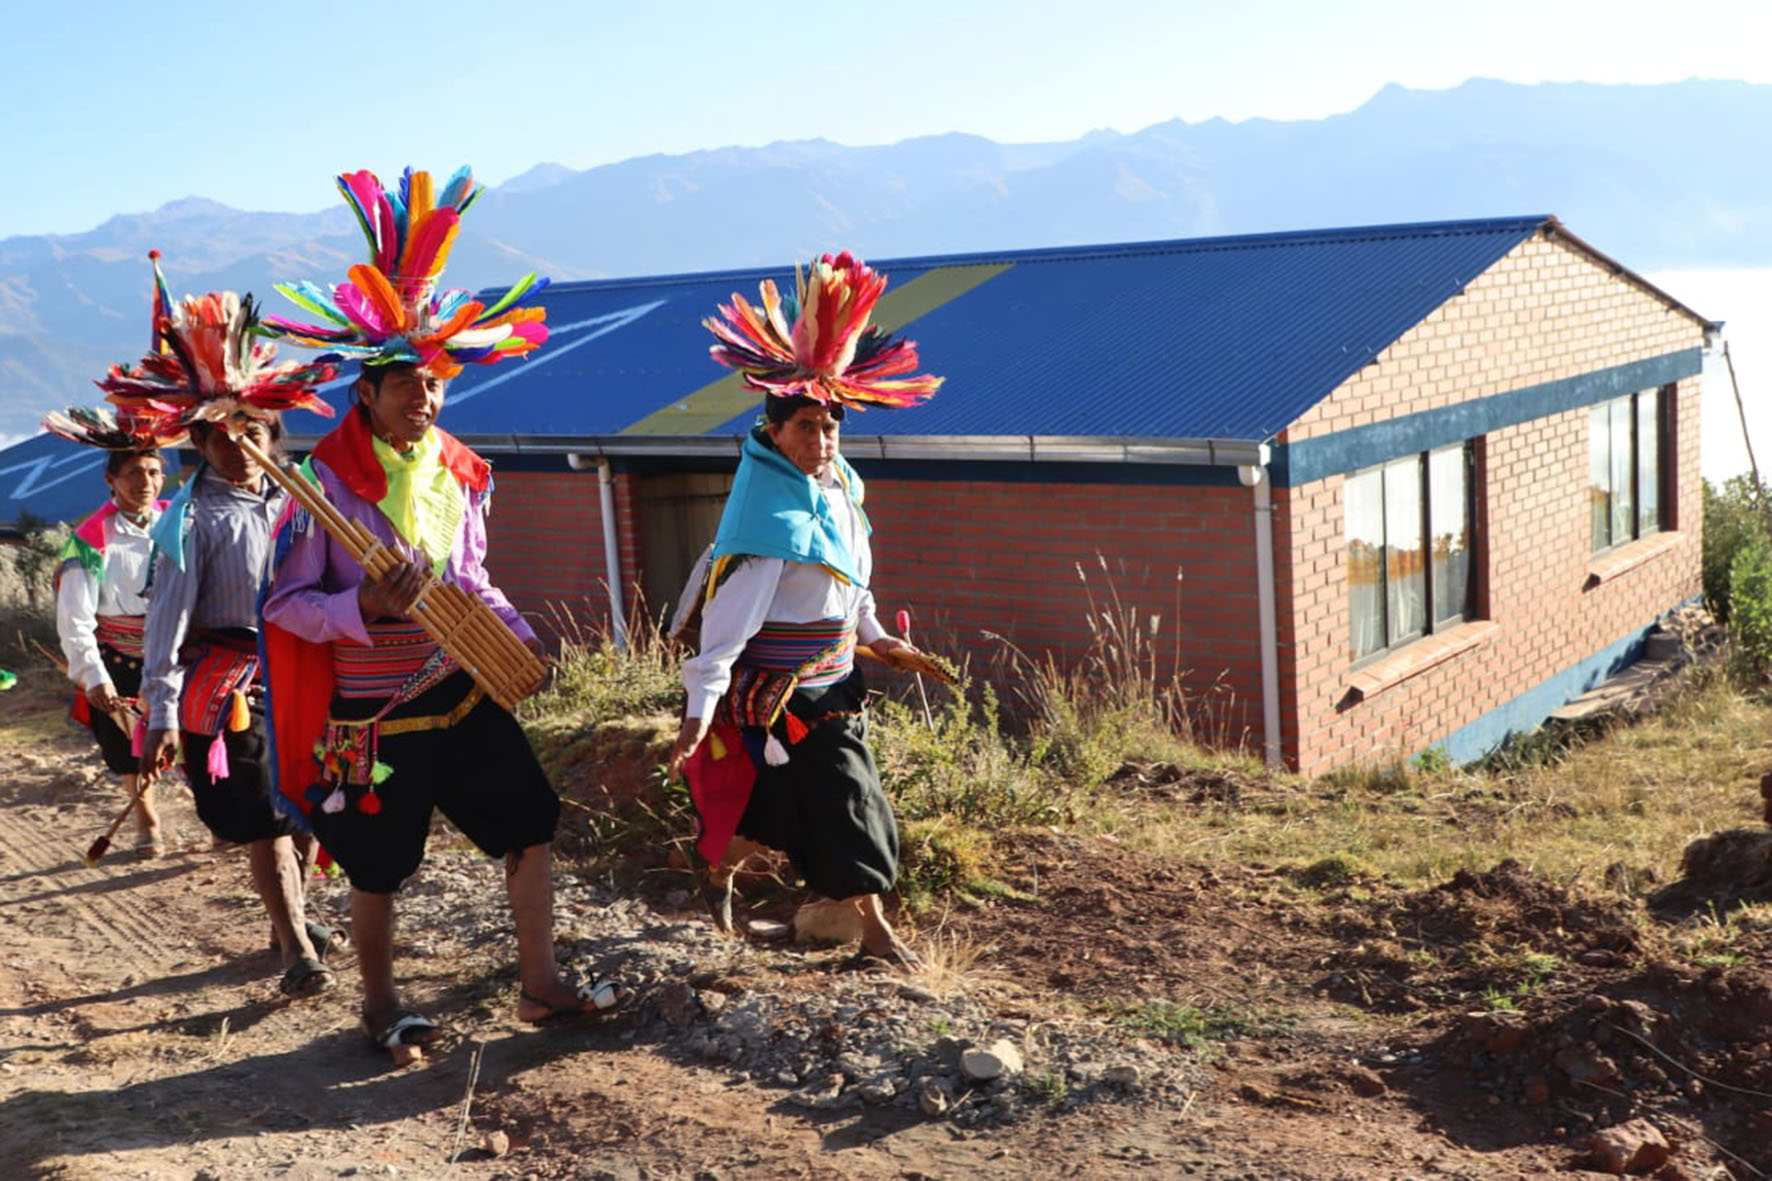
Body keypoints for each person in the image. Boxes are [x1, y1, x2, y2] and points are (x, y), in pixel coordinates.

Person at [259, 165, 609, 1056]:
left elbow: (474, 580)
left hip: (461, 685)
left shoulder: (460, 472)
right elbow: (287, 604)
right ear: (366, 392)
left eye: (435, 384)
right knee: (378, 863)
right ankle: (380, 1003)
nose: (425, 399)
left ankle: (539, 984)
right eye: (407, 385)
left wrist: (520, 643)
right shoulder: (323, 486)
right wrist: (359, 603)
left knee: (530, 820)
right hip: (374, 710)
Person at [669, 252, 945, 968]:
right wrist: (698, 712)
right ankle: (877, 936)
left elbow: (852, 589)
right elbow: (725, 632)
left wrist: (881, 640)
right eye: (804, 427)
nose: (819, 442)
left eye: (829, 427)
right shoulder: (766, 524)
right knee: (853, 800)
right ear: (772, 432)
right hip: (784, 698)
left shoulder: (840, 493)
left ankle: (716, 871)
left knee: (781, 812)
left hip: (839, 683)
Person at [102, 253, 343, 997]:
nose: (238, 445)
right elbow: (167, 625)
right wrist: (161, 714)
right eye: (221, 436)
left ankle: (290, 920)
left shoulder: (303, 500)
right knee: (266, 813)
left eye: (251, 430)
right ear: (201, 444)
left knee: (306, 805)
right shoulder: (190, 521)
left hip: (304, 668)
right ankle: (297, 950)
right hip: (232, 682)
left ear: (270, 433)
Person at [49, 423, 169, 858]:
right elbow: (74, 618)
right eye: (133, 472)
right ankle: (146, 818)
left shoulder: (179, 524)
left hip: (174, 652)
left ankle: (215, 814)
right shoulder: (90, 540)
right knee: (126, 743)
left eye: (153, 472)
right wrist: (93, 675)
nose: (145, 482)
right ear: (111, 480)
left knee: (193, 733)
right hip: (120, 658)